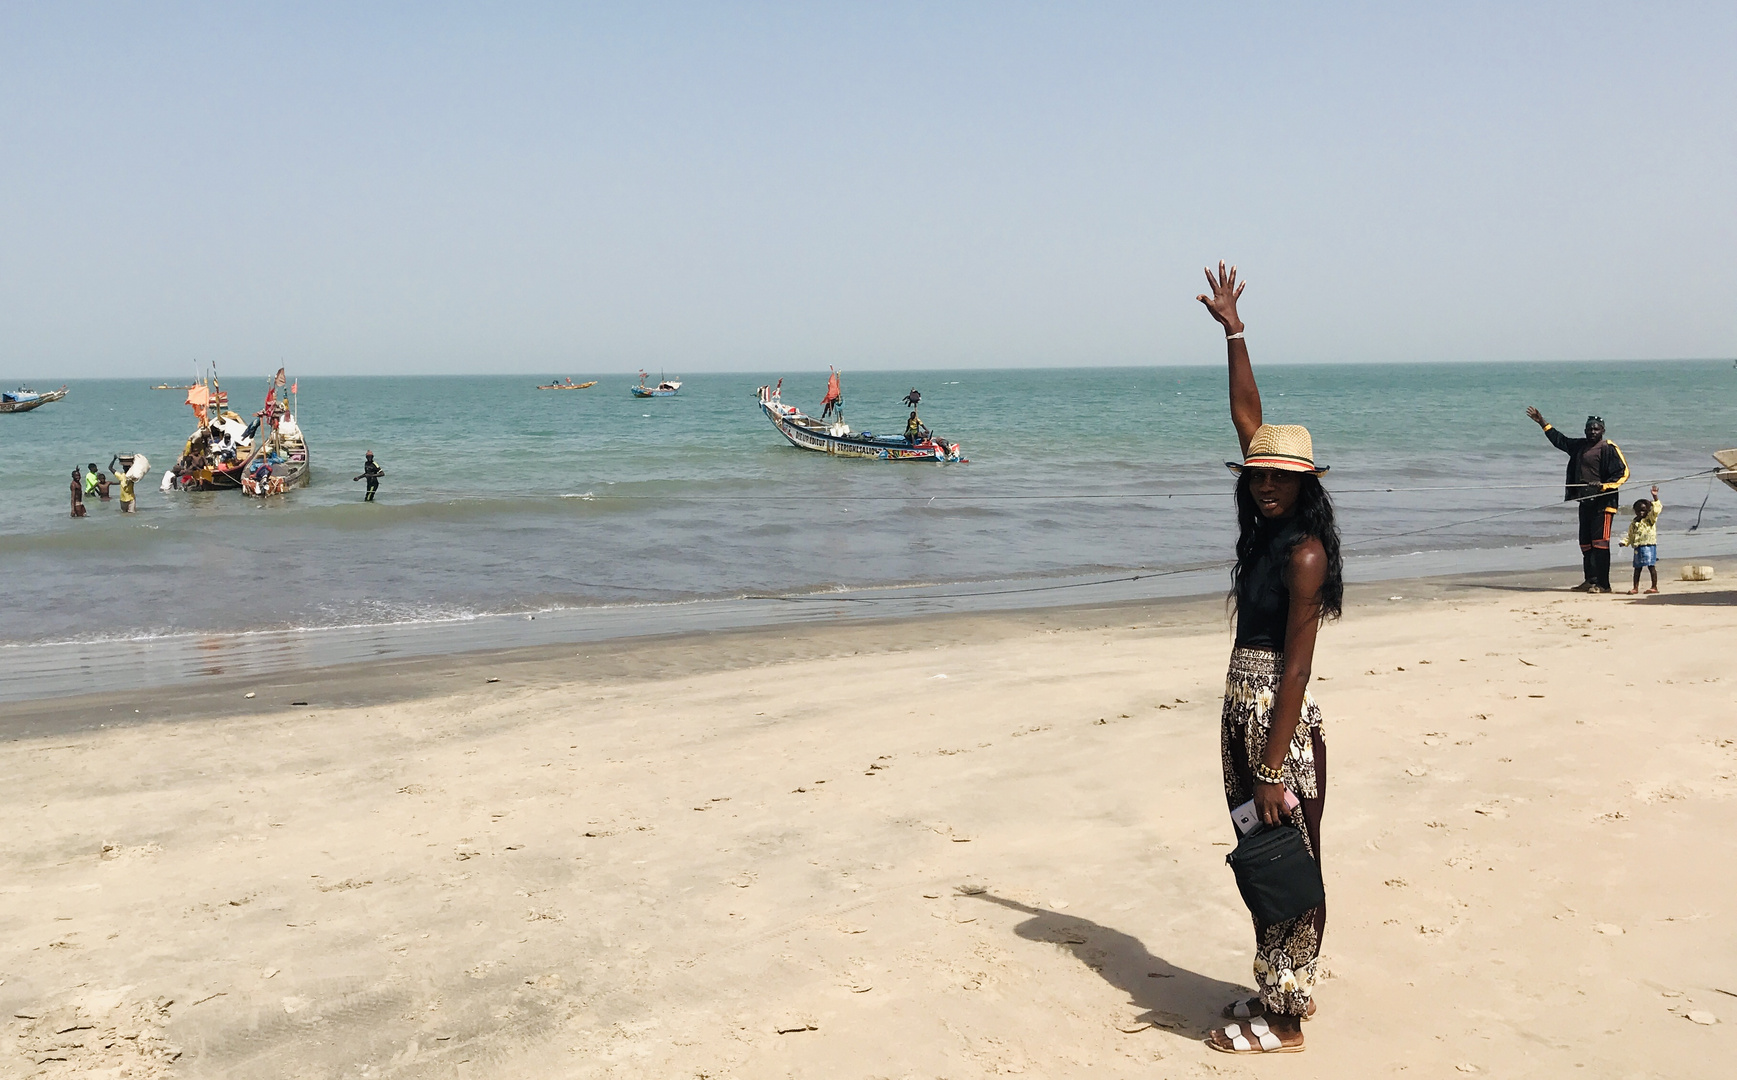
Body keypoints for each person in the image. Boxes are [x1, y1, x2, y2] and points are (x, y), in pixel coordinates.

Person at [1197, 262, 1343, 1056]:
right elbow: (1248, 417)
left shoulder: (1306, 556)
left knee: (1287, 854)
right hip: (1240, 710)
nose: (1264, 485)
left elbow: (1295, 668)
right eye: (1258, 474)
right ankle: (1277, 985)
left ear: (1305, 486)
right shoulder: (1266, 533)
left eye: (1281, 478)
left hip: (1274, 722)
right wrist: (1234, 333)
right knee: (1261, 852)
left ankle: (1285, 1020)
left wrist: (1272, 765)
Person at [1524, 408, 1630, 592]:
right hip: (1585, 500)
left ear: (1603, 430)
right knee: (1585, 543)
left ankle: (1603, 585)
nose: (1592, 432)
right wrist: (1542, 422)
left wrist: (1603, 486)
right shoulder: (1580, 446)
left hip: (1603, 504)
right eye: (1589, 429)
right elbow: (1560, 441)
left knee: (1600, 543)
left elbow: (1623, 473)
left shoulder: (1608, 448)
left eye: (1596, 429)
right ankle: (1590, 580)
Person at [1619, 485, 1662, 594]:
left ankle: (1654, 586)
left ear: (1648, 510)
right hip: (1638, 547)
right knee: (1637, 568)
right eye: (1639, 511)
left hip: (1649, 546)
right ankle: (1635, 587)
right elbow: (1630, 535)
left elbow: (1656, 510)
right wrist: (1625, 542)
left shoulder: (1650, 520)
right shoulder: (1634, 523)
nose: (1641, 513)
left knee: (1651, 566)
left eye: (1643, 510)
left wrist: (1655, 498)